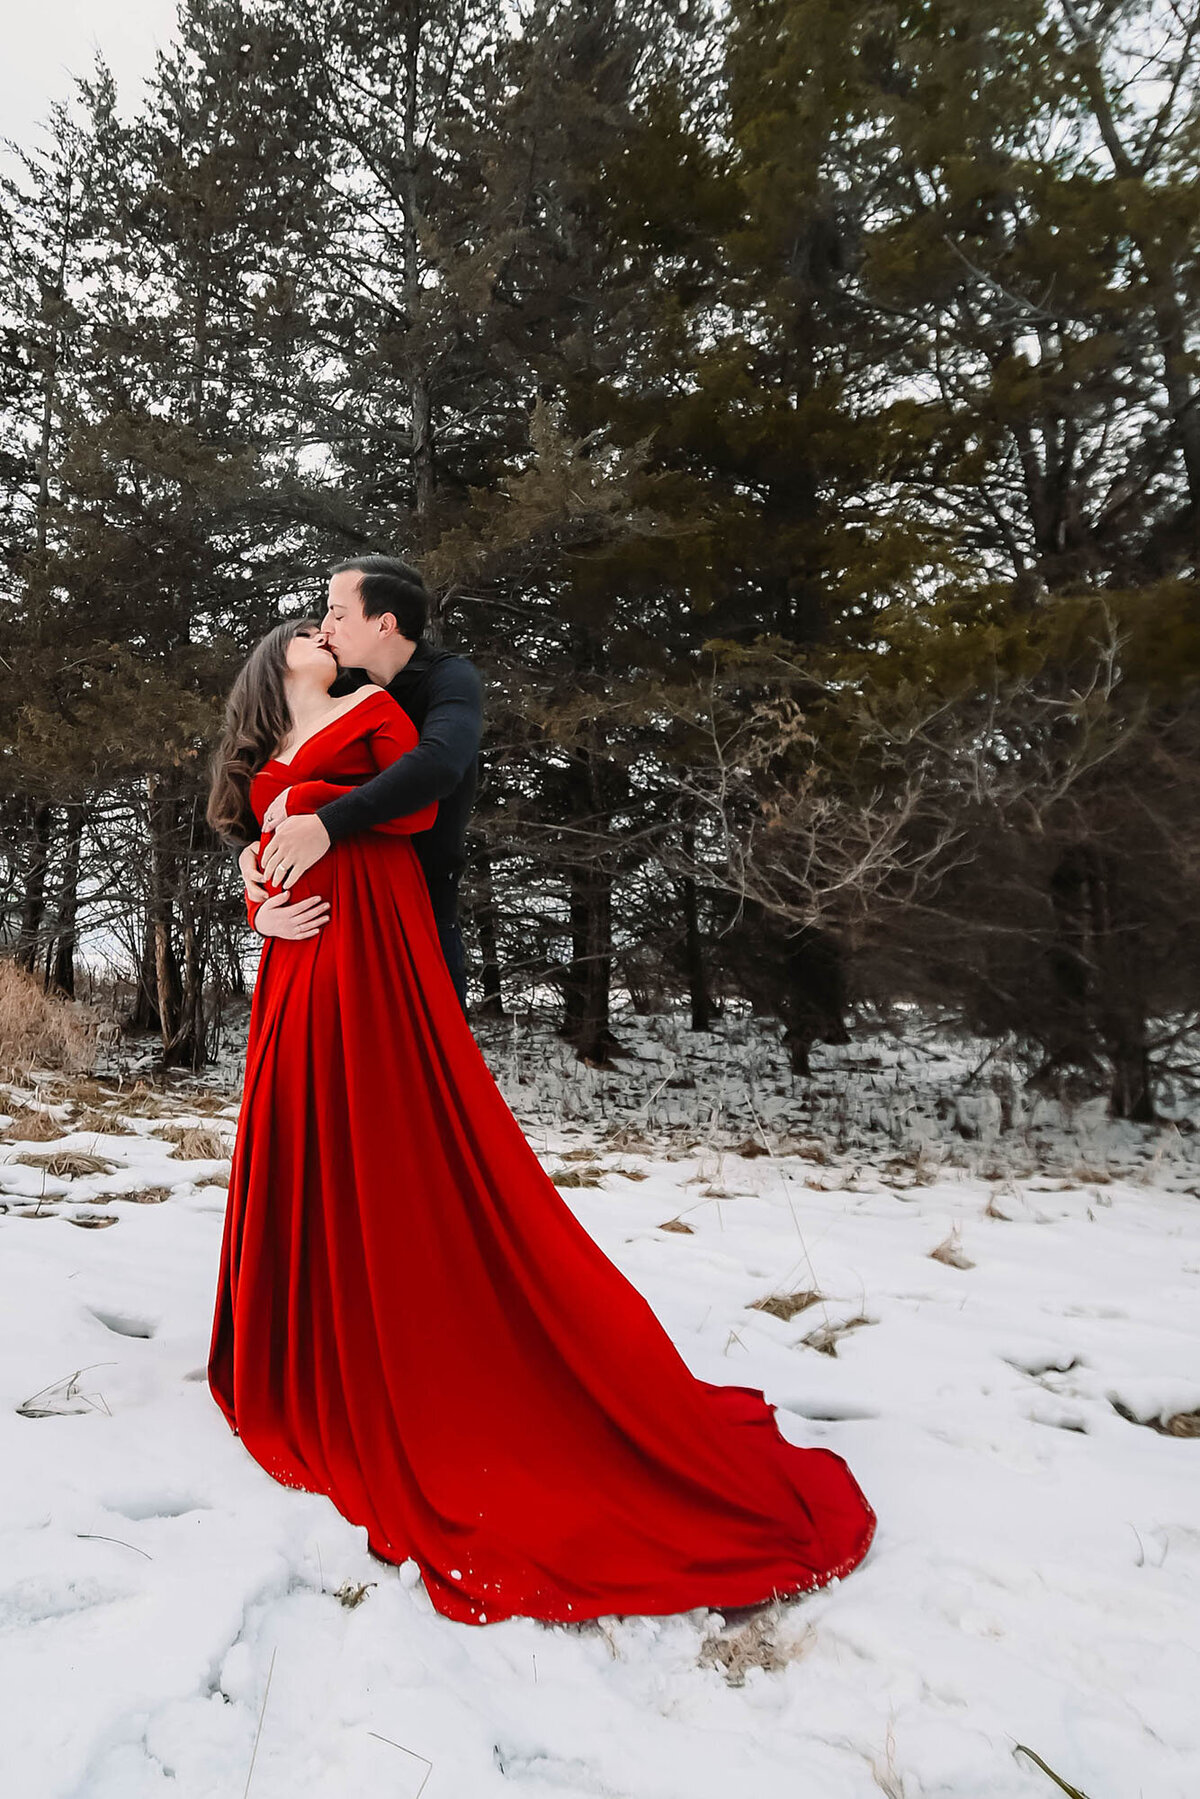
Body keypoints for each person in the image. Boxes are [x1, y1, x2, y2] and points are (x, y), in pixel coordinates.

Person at [205, 617, 877, 1628]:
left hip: (372, 965)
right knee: (309, 1149)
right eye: (304, 627)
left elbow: (421, 805)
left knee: (392, 1150)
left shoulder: (373, 711)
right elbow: (258, 846)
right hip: (296, 977)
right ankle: (317, 1348)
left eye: (328, 619)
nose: (320, 629)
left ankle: (425, 1338)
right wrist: (258, 895)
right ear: (270, 665)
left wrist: (325, 822)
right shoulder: (269, 751)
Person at [238, 555, 482, 1013]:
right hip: (335, 918)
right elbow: (276, 778)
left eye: (337, 612)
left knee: (425, 1069)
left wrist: (325, 820)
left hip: (424, 906)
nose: (325, 626)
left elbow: (438, 765)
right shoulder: (338, 688)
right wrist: (252, 858)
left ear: (384, 623)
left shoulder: (449, 680)